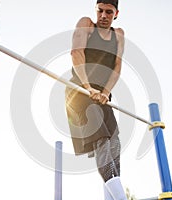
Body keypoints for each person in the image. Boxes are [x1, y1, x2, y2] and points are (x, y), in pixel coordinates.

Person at [65, 0, 127, 199]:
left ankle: (113, 196)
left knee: (114, 142)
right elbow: (76, 53)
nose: (103, 15)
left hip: (101, 97)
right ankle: (121, 198)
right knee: (101, 139)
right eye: (100, 10)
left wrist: (106, 91)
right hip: (80, 92)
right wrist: (87, 87)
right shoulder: (87, 24)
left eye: (108, 12)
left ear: (116, 13)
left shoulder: (119, 35)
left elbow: (117, 66)